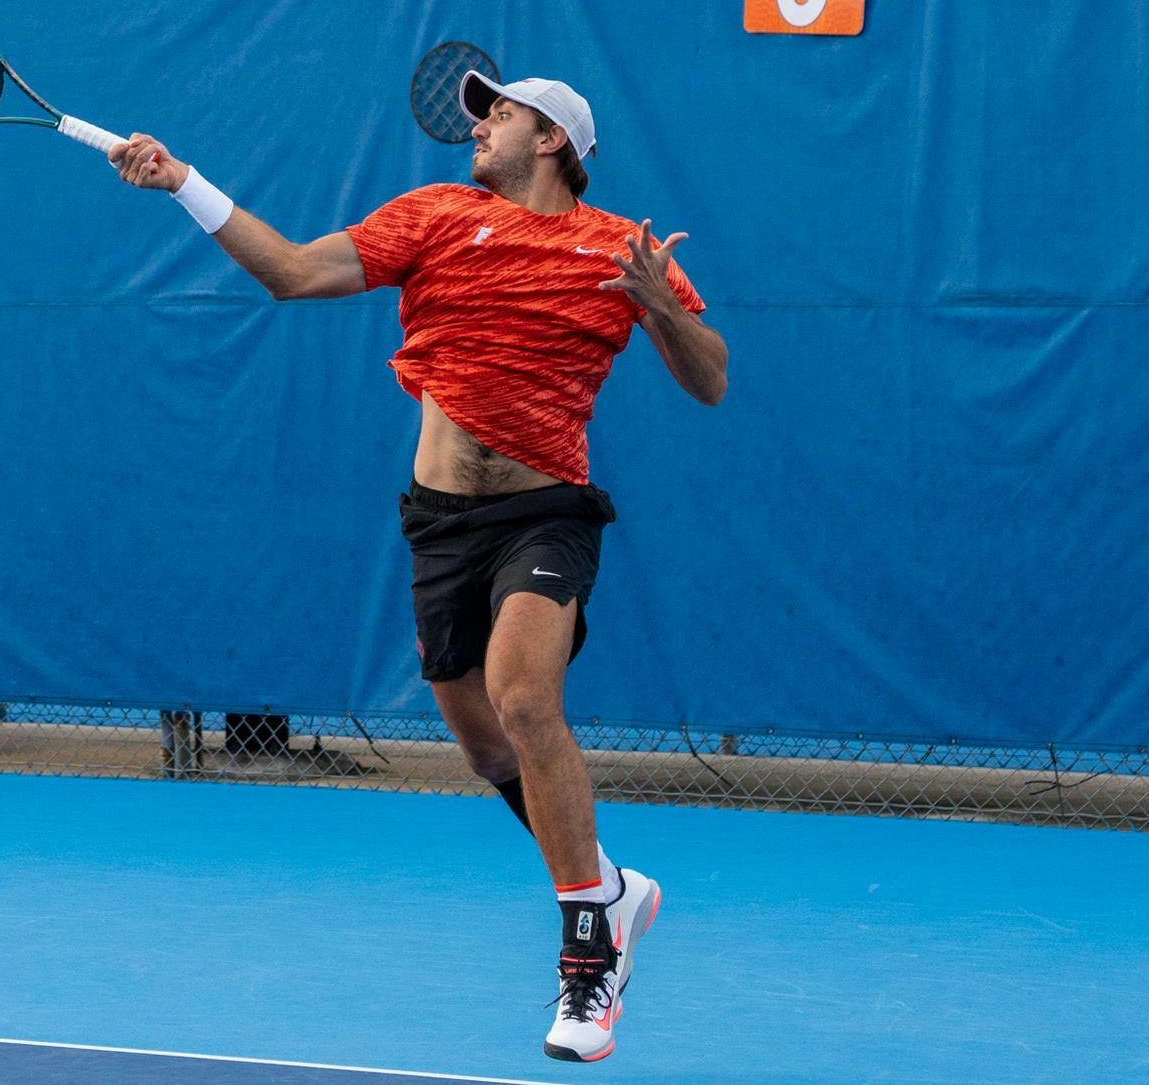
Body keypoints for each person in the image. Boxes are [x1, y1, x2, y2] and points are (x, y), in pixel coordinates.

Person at [107, 71, 726, 1063]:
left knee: (525, 698)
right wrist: (182, 180)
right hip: (440, 522)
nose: (476, 124)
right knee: (485, 745)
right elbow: (294, 273)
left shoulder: (617, 249)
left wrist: (661, 311)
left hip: (546, 511)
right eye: (481, 110)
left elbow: (710, 382)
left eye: (500, 114)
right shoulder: (434, 216)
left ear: (550, 141)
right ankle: (610, 886)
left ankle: (585, 955)